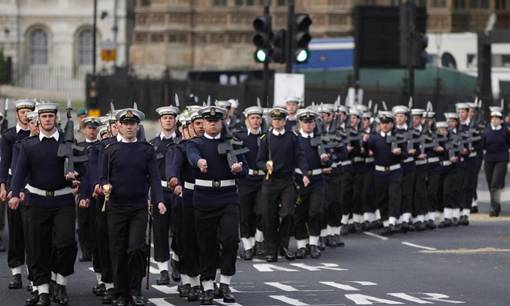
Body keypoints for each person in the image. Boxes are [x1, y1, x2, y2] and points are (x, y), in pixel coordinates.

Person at [9, 102, 78, 306]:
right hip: (37, 201)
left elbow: (83, 166)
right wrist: (14, 193)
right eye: (44, 116)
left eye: (51, 116)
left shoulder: (69, 143)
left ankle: (61, 282)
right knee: (37, 246)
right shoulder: (28, 145)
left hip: (63, 200)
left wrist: (77, 176)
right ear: (38, 119)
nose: (48, 119)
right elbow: (20, 172)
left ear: (56, 118)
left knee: (66, 243)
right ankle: (43, 291)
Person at [100, 108, 166, 306]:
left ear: (138, 126)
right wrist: (104, 186)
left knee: (136, 248)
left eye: (133, 123)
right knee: (118, 250)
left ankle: (135, 290)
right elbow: (103, 176)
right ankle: (121, 292)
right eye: (125, 123)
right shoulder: (110, 150)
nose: (129, 127)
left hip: (138, 207)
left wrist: (159, 200)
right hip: (116, 206)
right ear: (118, 125)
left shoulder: (146, 150)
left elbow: (154, 177)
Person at [186, 106, 248, 305]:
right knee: (206, 243)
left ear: (222, 122)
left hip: (228, 196)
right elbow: (192, 156)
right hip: (204, 198)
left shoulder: (233, 143)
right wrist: (199, 162)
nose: (212, 123)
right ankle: (207, 284)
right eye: (208, 120)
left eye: (216, 120)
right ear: (202, 123)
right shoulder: (195, 143)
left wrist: (239, 168)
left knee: (230, 240)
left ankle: (226, 282)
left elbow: (245, 170)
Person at [256, 107, 308, 262]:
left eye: (280, 119)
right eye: (274, 119)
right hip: (270, 181)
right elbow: (258, 160)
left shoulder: (292, 137)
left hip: (287, 181)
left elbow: (300, 156)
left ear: (285, 121)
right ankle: (270, 250)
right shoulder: (266, 138)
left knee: (287, 214)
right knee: (268, 216)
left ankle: (283, 245)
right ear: (271, 121)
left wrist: (305, 173)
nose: (277, 122)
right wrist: (265, 165)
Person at [0, 98, 35, 289]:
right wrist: (3, 186)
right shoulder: (9, 136)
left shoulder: (37, 135)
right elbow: (4, 163)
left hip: (33, 187)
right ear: (18, 114)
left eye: (29, 112)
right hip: (14, 186)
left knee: (33, 232)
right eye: (22, 112)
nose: (25, 115)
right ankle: (16, 272)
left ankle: (33, 273)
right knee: (16, 232)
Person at [149, 105, 180, 285]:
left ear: (176, 121)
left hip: (178, 192)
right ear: (160, 121)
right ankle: (163, 270)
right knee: (160, 232)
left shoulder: (183, 142)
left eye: (171, 118)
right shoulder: (152, 145)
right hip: (159, 192)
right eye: (165, 118)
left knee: (180, 230)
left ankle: (176, 260)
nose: (168, 120)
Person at [363, 111, 406, 236]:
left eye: (387, 123)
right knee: (382, 198)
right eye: (383, 123)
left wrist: (400, 153)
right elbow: (367, 150)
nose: (385, 125)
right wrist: (365, 142)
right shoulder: (374, 138)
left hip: (394, 171)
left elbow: (406, 154)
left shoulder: (398, 137)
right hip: (380, 172)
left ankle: (393, 222)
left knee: (394, 196)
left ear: (392, 124)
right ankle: (386, 224)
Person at [294, 109, 329, 259]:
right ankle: (302, 245)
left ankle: (313, 243)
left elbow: (330, 161)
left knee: (315, 212)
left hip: (316, 180)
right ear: (300, 123)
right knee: (299, 214)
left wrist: (326, 159)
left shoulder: (321, 140)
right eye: (305, 122)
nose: (308, 125)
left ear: (315, 124)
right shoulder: (294, 140)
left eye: (310, 122)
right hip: (299, 181)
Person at [234, 106, 266, 260]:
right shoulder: (240, 138)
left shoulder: (266, 137)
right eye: (252, 118)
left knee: (262, 212)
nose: (256, 121)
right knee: (245, 214)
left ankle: (259, 240)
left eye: (258, 118)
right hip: (246, 180)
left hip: (263, 179)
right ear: (246, 120)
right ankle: (248, 246)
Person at [76, 117, 101, 262]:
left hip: (97, 189)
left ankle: (95, 248)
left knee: (96, 221)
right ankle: (85, 250)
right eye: (89, 128)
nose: (92, 130)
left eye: (94, 128)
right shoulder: (78, 147)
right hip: (82, 188)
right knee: (83, 222)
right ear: (84, 129)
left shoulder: (101, 146)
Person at [482, 108, 510, 217]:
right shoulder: (486, 131)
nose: (494, 120)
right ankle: (496, 205)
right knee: (491, 185)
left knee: (495, 184)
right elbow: (482, 145)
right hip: (489, 160)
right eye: (492, 118)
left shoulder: (505, 131)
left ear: (501, 120)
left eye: (497, 118)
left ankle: (493, 208)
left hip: (501, 159)